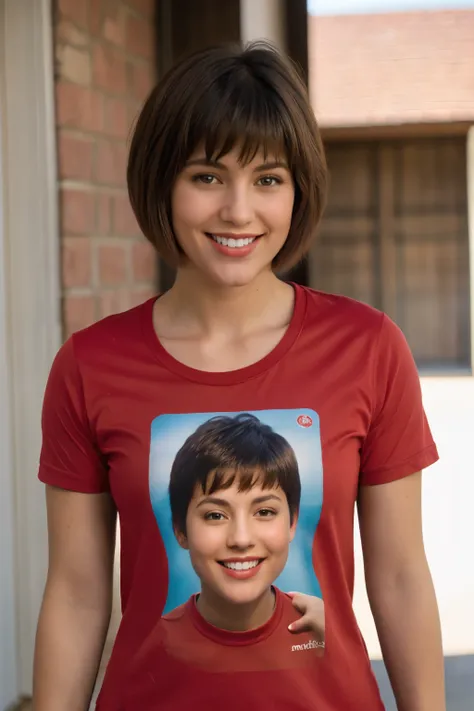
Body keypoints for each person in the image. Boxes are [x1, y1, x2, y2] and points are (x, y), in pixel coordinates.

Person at [33, 41, 445, 711]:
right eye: (206, 176)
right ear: (161, 181)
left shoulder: (369, 348)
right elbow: (77, 593)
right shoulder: (89, 365)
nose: (238, 210)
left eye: (268, 178)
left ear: (298, 189)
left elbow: (399, 577)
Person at [121, 413, 325, 709]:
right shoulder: (156, 645)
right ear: (181, 530)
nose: (241, 539)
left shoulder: (319, 627)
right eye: (215, 515)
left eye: (265, 512)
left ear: (292, 521)